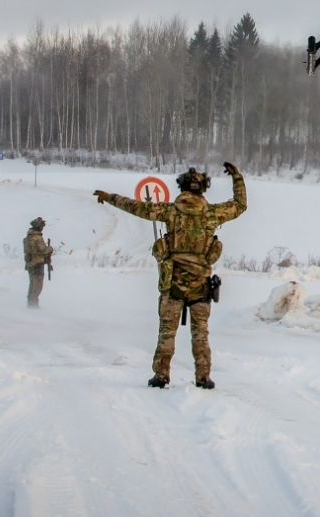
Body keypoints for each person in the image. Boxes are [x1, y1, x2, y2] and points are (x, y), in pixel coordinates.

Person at [95, 162, 246, 389]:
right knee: (201, 334)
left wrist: (109, 197)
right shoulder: (213, 214)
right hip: (200, 286)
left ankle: (161, 375)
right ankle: (203, 377)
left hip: (173, 284)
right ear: (204, 188)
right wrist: (237, 178)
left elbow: (136, 207)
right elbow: (240, 205)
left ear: (182, 187)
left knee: (166, 333)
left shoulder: (170, 212)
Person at [23, 217, 53, 307]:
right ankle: (33, 305)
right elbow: (43, 250)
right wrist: (50, 249)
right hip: (37, 264)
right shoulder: (37, 238)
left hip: (30, 263)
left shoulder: (28, 238)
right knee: (37, 285)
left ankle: (30, 302)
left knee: (32, 284)